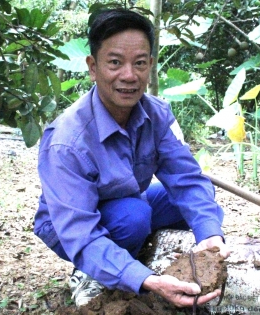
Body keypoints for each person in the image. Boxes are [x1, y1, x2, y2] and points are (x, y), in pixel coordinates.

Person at [33, 8, 228, 308]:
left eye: (139, 64)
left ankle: (124, 258)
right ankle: (90, 274)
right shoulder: (66, 142)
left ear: (150, 65)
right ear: (93, 67)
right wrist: (147, 280)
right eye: (114, 63)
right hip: (69, 224)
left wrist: (210, 237)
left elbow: (187, 179)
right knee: (133, 217)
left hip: (126, 198)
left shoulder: (156, 114)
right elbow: (79, 232)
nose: (129, 75)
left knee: (193, 199)